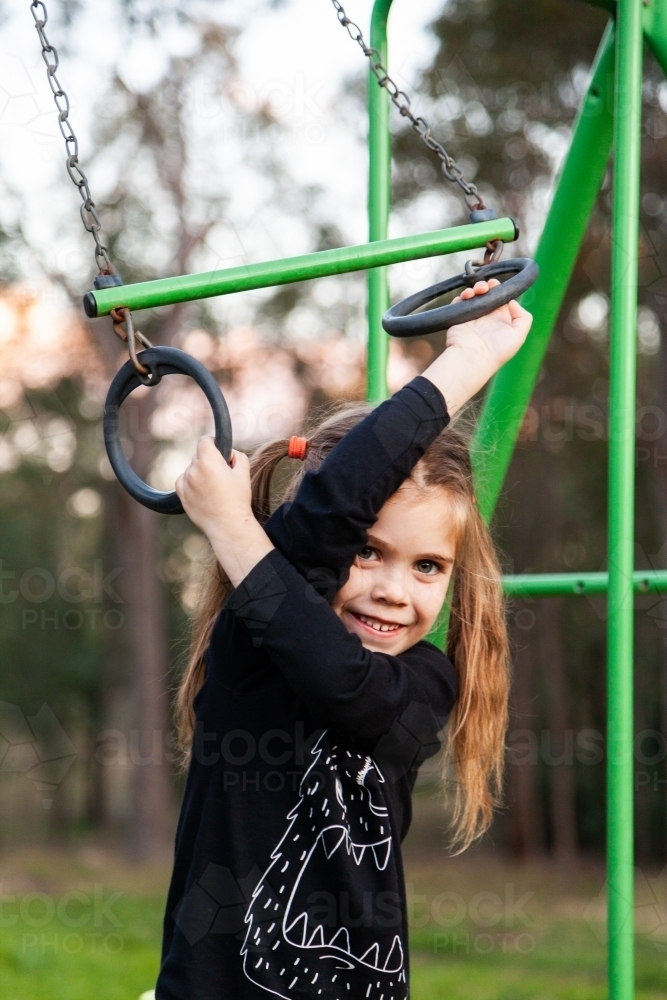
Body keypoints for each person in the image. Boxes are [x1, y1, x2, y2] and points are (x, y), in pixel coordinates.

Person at [155, 279, 533, 1000]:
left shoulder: (419, 688)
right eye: (368, 552)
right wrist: (461, 365)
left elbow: (342, 685)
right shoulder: (255, 651)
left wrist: (235, 530)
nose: (393, 589)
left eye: (427, 566)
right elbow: (327, 518)